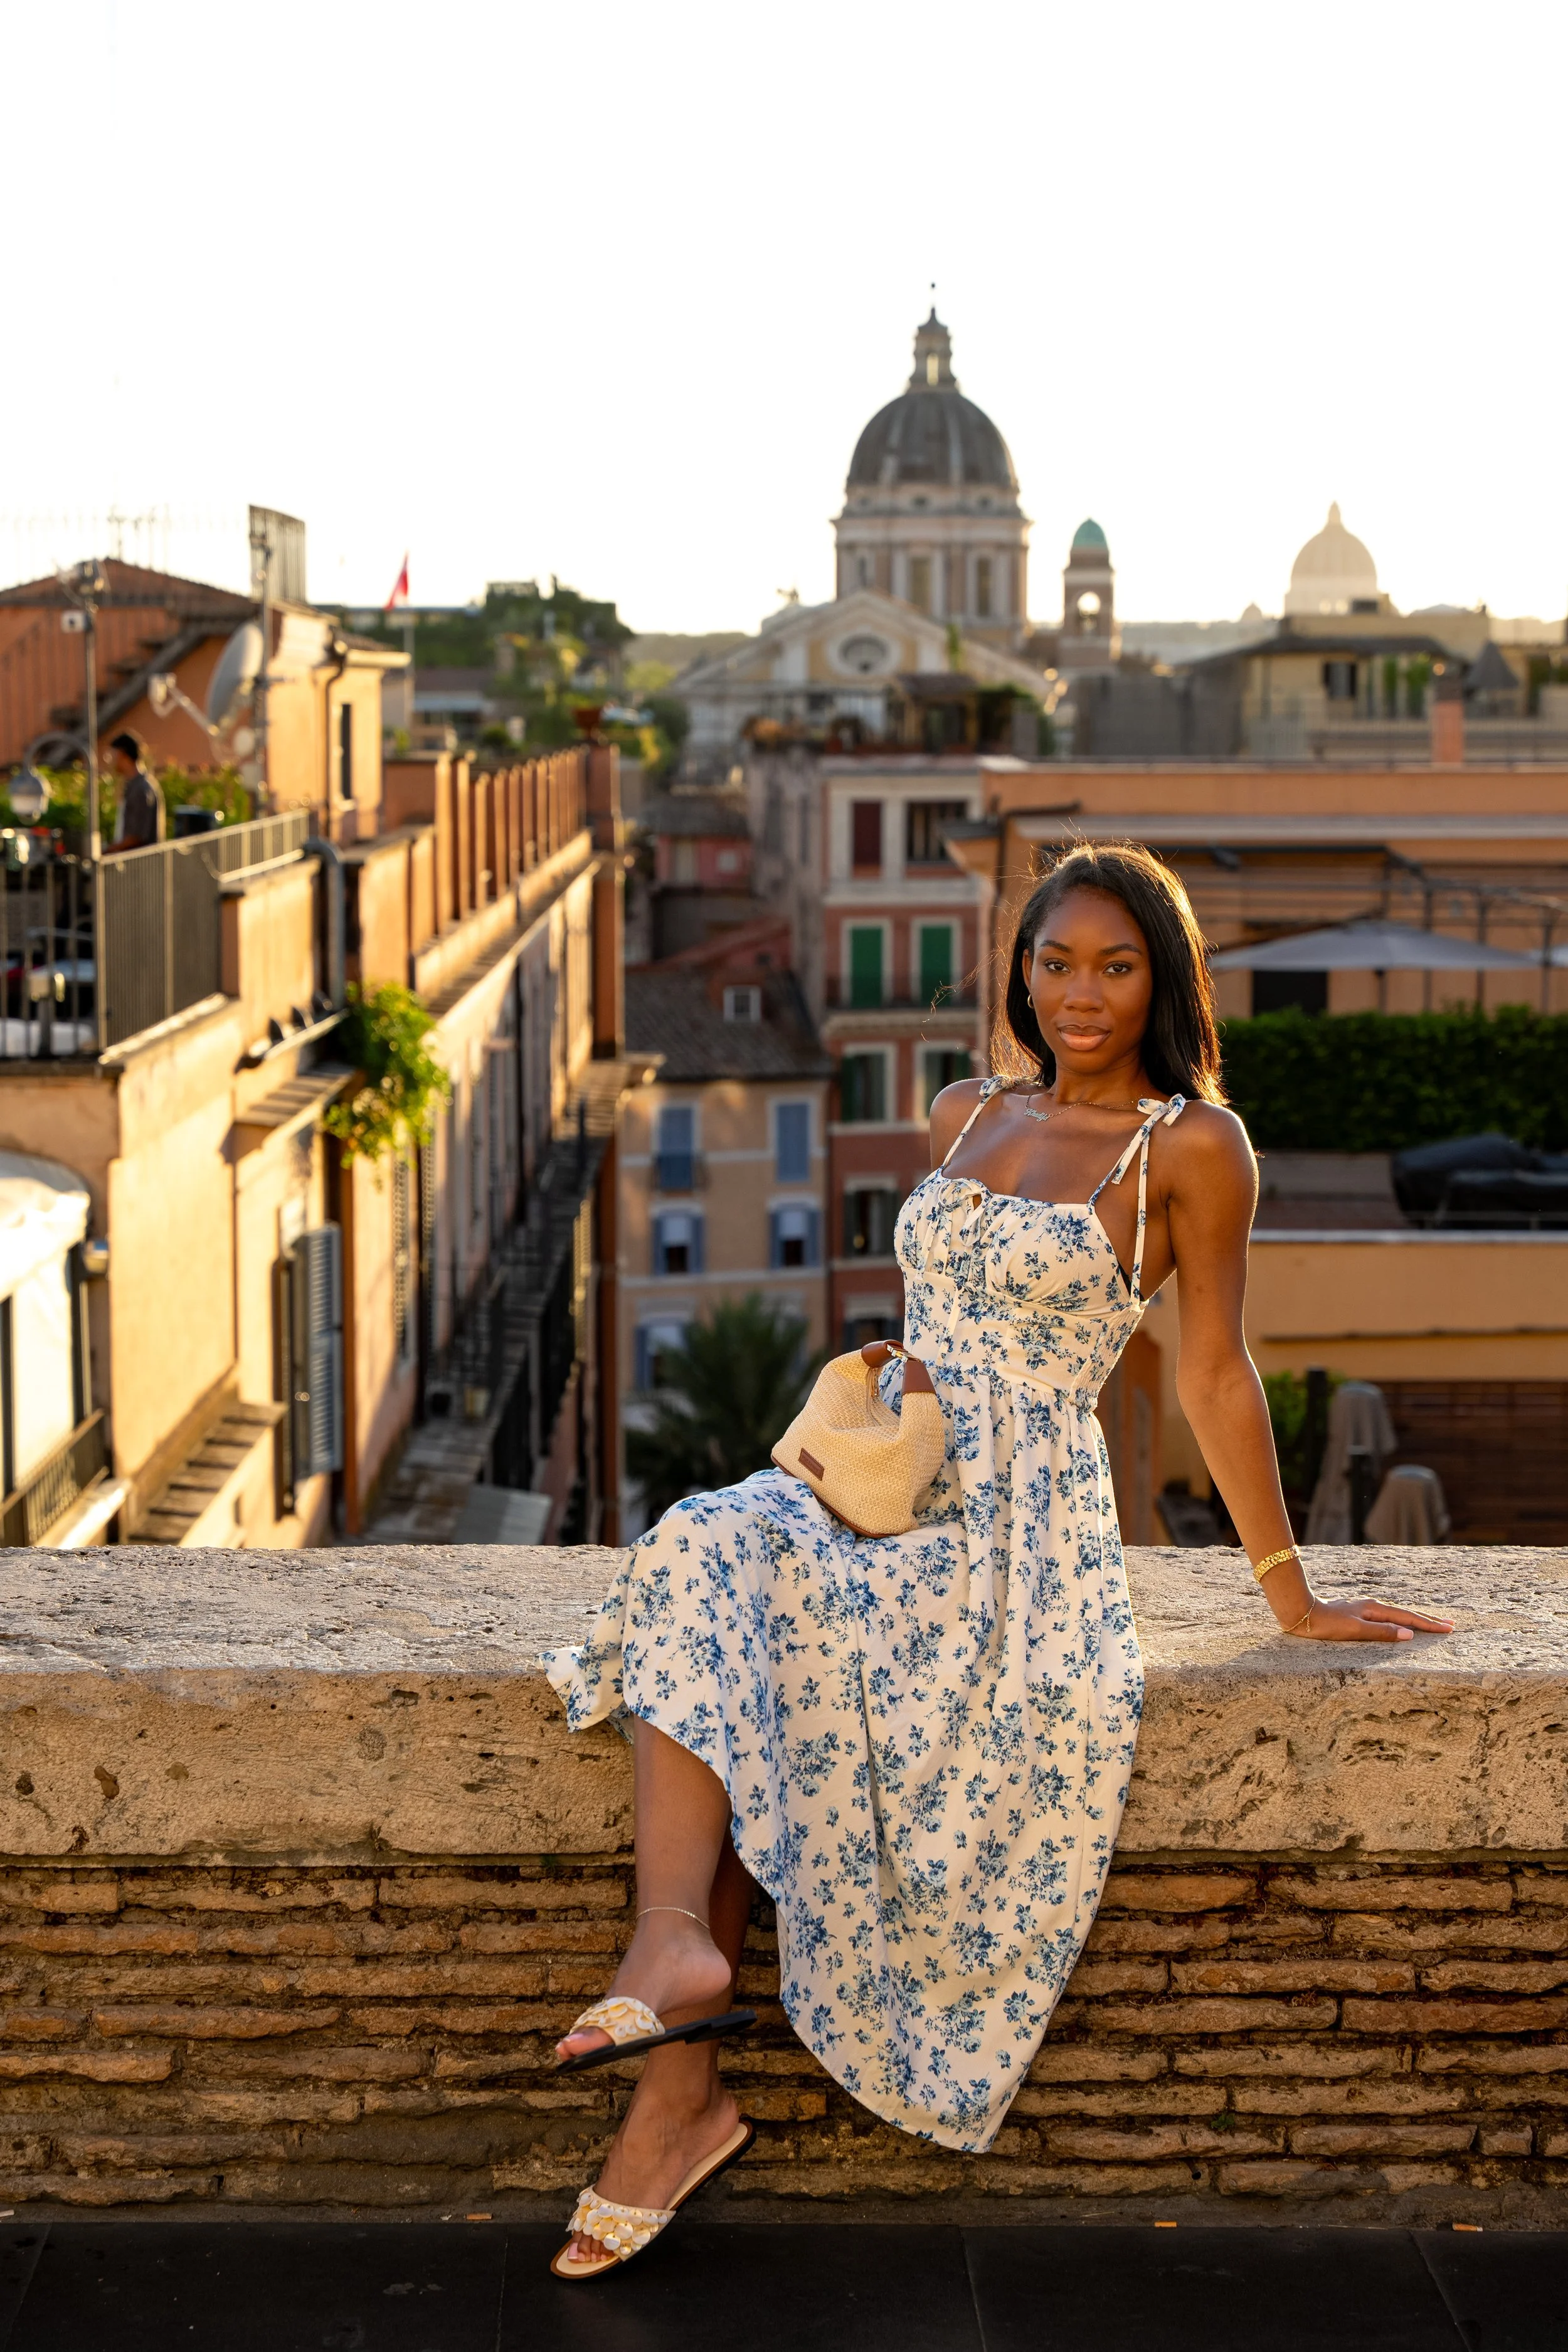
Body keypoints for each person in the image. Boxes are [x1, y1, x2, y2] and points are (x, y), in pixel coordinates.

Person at [540, 840, 1452, 2280]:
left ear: (1162, 979)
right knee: (705, 1540)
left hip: (1019, 1536)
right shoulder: (962, 1104)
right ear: (1019, 970)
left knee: (745, 1627)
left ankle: (675, 2089)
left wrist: (1293, 1589)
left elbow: (1211, 1370)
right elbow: (952, 1305)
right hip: (892, 1484)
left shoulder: (1192, 1146)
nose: (1080, 993)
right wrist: (904, 1368)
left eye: (1114, 965)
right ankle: (673, 1960)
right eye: (1053, 961)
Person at [105, 731, 165, 851]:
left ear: (122, 754)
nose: (110, 761)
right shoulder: (135, 785)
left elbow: (136, 837)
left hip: (140, 866)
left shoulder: (141, 789)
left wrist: (108, 851)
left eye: (113, 755)